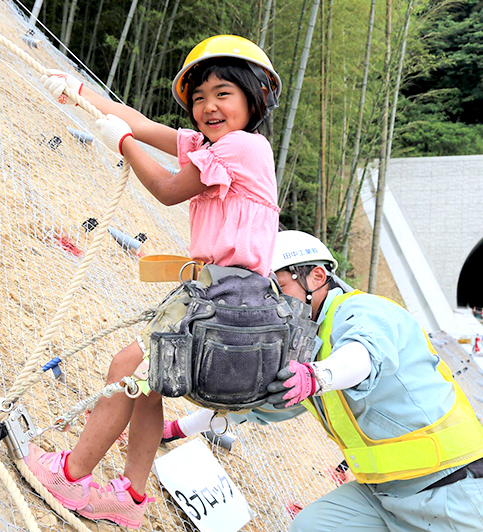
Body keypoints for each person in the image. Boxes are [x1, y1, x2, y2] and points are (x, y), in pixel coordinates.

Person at [24, 35, 283, 529]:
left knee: (128, 366)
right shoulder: (215, 145)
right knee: (147, 384)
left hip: (228, 297)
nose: (208, 105)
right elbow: (142, 123)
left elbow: (166, 189)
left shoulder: (244, 148)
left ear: (256, 98)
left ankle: (72, 476)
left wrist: (119, 143)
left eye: (223, 93)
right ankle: (130, 496)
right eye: (199, 96)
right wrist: (78, 91)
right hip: (216, 291)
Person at [248, 230, 483, 531]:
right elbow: (269, 403)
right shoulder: (309, 339)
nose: (274, 302)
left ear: (317, 277)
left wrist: (316, 376)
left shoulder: (363, 310)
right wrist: (183, 426)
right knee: (312, 526)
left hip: (451, 486)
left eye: (279, 288)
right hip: (385, 493)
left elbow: (364, 354)